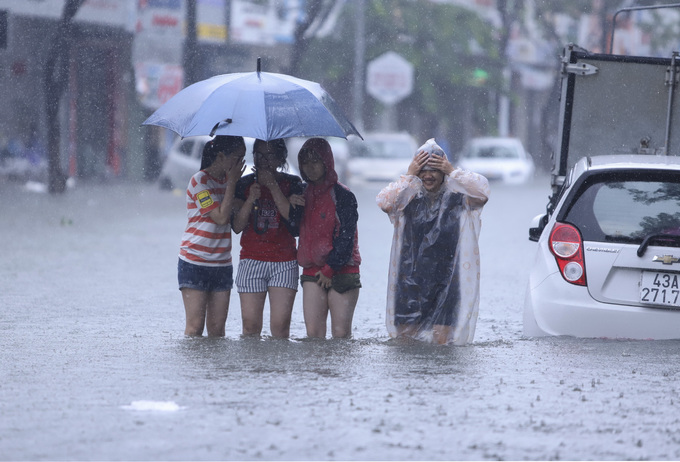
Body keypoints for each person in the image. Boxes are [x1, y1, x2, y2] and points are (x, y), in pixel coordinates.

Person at [376, 138, 490, 345]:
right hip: (409, 281)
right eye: (423, 170)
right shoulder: (408, 198)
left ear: (443, 173)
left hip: (446, 280)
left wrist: (453, 170)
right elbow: (384, 203)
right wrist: (409, 175)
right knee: (406, 347)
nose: (428, 175)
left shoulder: (457, 198)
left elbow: (482, 195)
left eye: (434, 169)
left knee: (442, 348)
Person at [232, 139, 305, 338]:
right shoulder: (244, 184)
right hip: (251, 259)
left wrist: (273, 186)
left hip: (284, 261)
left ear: (281, 158)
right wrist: (249, 200)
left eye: (270, 155)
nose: (263, 161)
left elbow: (293, 223)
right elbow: (237, 227)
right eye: (259, 155)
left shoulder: (293, 184)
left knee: (280, 328)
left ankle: (277, 369)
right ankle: (253, 368)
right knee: (250, 327)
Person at [290, 138, 361, 339]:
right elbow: (294, 231)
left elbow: (347, 237)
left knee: (340, 335)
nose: (310, 167)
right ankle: (315, 372)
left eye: (315, 161)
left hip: (342, 269)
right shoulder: (301, 193)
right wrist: (293, 208)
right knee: (313, 336)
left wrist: (330, 268)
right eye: (305, 162)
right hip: (312, 270)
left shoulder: (343, 195)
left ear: (327, 162)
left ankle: (339, 372)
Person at [178, 135, 246, 337]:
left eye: (243, 158)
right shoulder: (199, 181)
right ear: (221, 156)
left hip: (222, 264)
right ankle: (195, 369)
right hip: (194, 262)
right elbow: (220, 217)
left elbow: (237, 224)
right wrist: (232, 184)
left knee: (217, 331)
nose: (241, 164)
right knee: (195, 327)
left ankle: (214, 370)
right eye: (237, 158)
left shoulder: (230, 182)